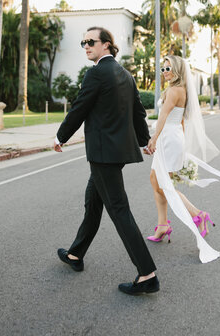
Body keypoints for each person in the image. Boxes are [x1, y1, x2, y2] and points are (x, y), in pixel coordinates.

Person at [54, 26, 159, 295]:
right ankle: (76, 255)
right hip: (115, 154)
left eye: (91, 41)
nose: (86, 46)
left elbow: (80, 108)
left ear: (107, 45)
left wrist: (61, 136)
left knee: (119, 210)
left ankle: (147, 273)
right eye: (83, 42)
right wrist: (144, 140)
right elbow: (138, 111)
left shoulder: (97, 73)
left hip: (102, 155)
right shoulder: (125, 74)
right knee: (93, 203)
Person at [146, 55, 220, 263]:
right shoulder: (180, 90)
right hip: (170, 138)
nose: (164, 72)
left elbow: (163, 117)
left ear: (178, 70)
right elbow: (179, 120)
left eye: (168, 68)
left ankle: (198, 215)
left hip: (167, 139)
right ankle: (163, 224)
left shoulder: (174, 90)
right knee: (156, 182)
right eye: (163, 69)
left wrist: (154, 138)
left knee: (164, 185)